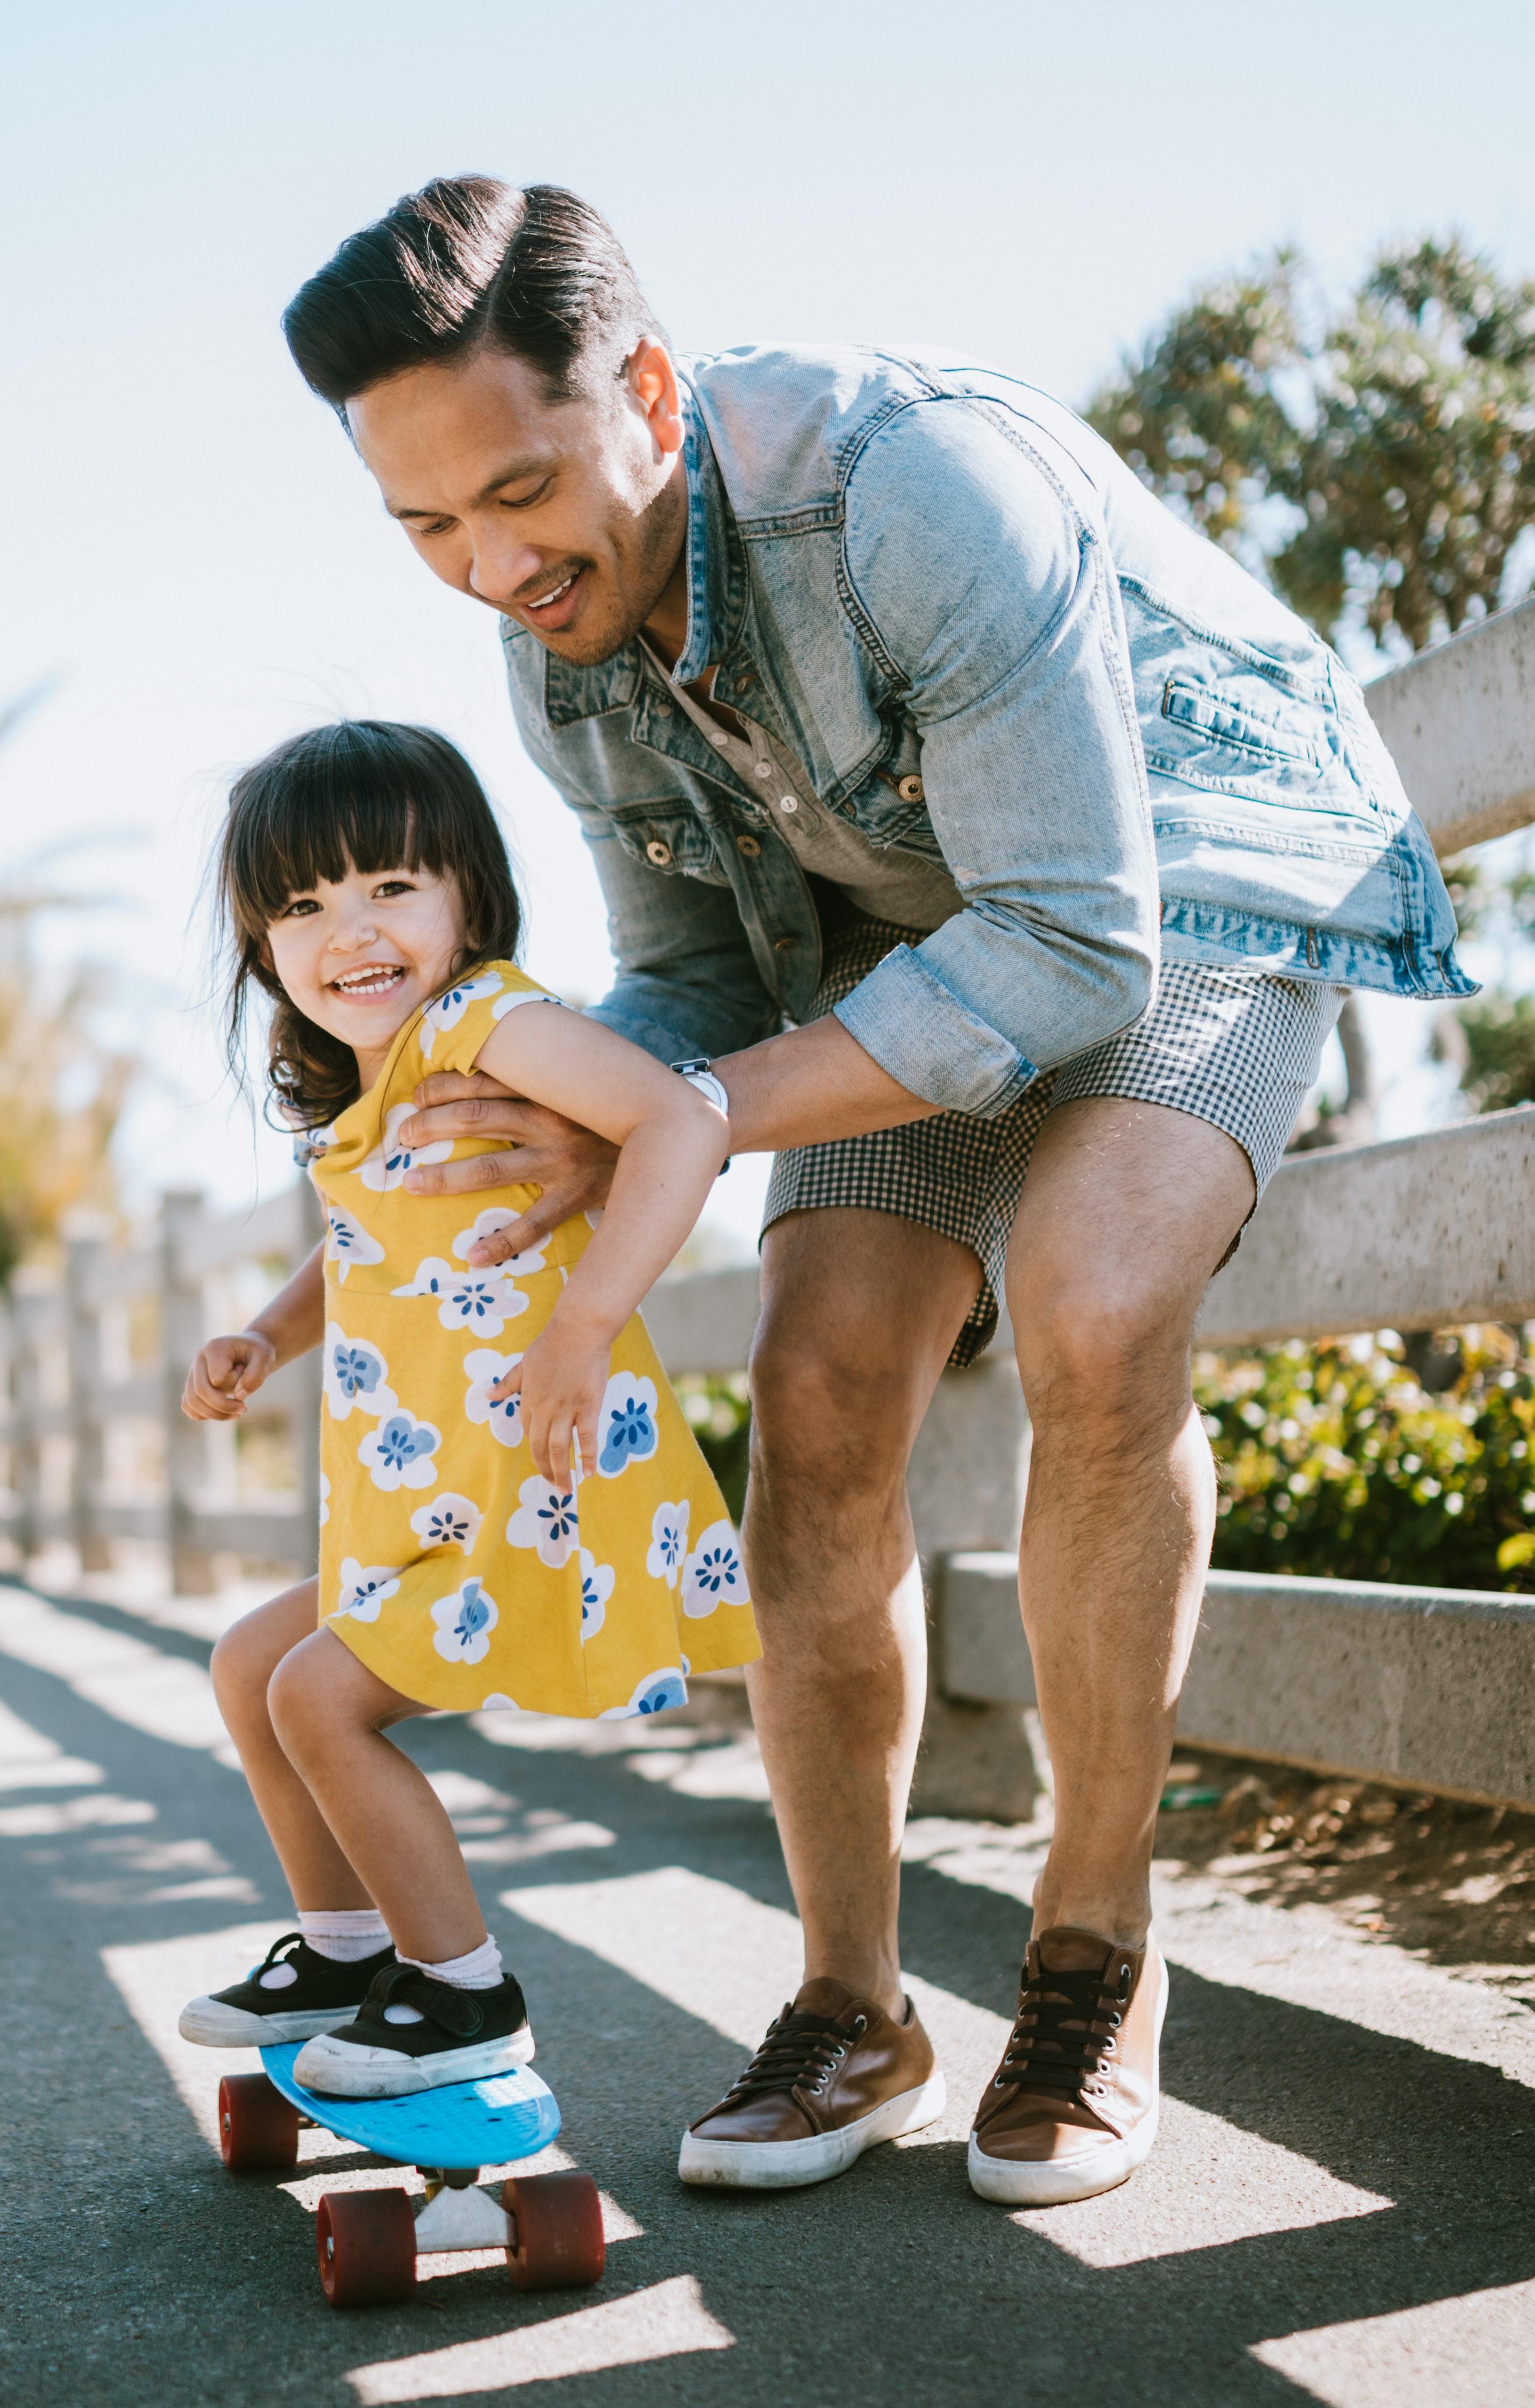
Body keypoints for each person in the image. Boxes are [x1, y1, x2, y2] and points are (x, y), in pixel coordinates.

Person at [274, 182, 1470, 2198]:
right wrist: (601, 1097)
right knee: (820, 1385)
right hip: (895, 956)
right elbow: (696, 978)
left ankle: (1093, 1957)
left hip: (1183, 889)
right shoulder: (553, 652)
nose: (492, 567)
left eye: (520, 491)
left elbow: (1076, 946)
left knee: (1093, 1304)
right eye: (426, 530)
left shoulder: (907, 486)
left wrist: (677, 1111)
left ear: (645, 386)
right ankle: (855, 2005)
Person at [176, 719, 757, 2097]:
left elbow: (681, 1121)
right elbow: (369, 1240)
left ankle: (461, 1992)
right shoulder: (379, 1082)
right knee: (253, 1665)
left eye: (390, 884)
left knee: (322, 1697)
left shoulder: (485, 1019)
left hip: (530, 1477)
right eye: (303, 904)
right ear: (264, 945)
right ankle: (343, 1947)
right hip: (431, 1495)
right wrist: (266, 1330)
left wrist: (586, 1321)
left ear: (467, 895)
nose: (350, 930)